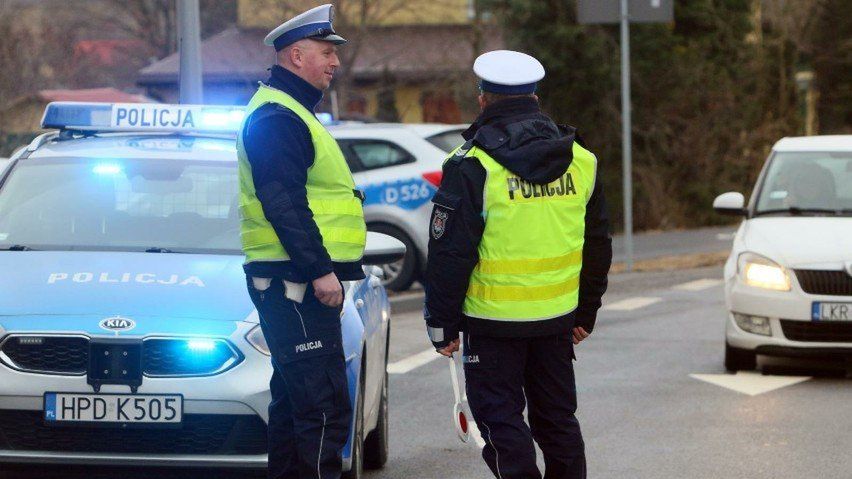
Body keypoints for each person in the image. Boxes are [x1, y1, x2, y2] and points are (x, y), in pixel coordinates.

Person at [423, 50, 612, 479]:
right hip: (557, 320)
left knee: (501, 422)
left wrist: (441, 323)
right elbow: (598, 243)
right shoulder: (581, 159)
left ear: (483, 99)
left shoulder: (472, 164)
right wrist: (586, 311)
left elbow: (450, 253)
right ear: (535, 98)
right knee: (558, 421)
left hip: (492, 324)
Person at [236, 4, 366, 478]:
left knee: (296, 405)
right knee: (322, 407)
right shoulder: (278, 116)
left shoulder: (290, 112)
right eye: (326, 52)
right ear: (295, 55)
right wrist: (319, 270)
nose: (335, 62)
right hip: (296, 282)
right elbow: (283, 202)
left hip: (293, 280)